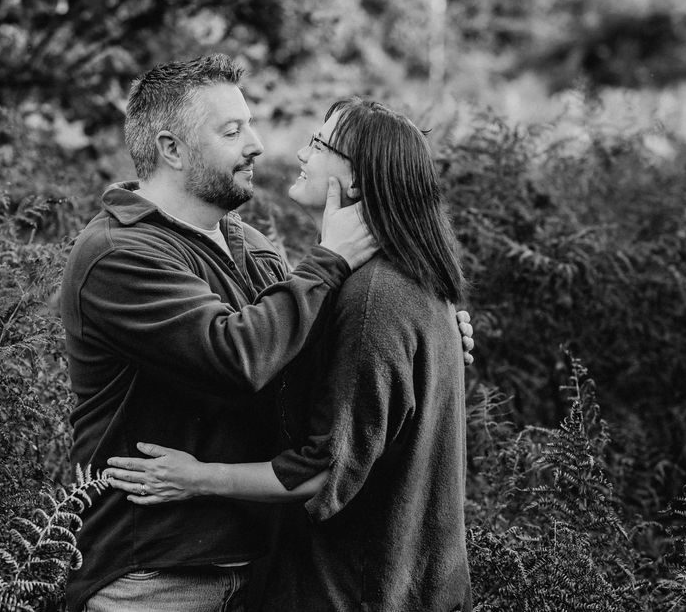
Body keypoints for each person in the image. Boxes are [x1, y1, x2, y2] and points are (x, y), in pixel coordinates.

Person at [106, 97, 474, 611]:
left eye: (320, 144)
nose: (300, 153)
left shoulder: (375, 297)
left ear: (358, 180)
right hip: (395, 584)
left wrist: (199, 477)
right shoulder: (407, 283)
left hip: (359, 588)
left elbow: (324, 467)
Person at [58, 54, 383, 612]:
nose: (256, 143)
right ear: (172, 149)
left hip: (266, 567)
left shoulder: (252, 247)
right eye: (232, 131)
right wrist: (328, 261)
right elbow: (237, 358)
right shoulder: (117, 254)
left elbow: (305, 365)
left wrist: (410, 332)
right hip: (156, 579)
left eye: (250, 124)